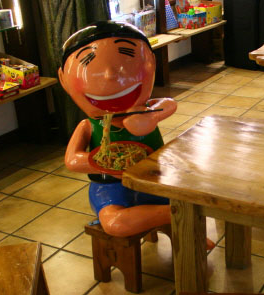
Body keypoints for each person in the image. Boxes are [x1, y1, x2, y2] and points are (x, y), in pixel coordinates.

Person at [60, 21, 211, 246]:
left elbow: (169, 104)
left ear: (152, 63)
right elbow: (72, 160)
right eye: (87, 61)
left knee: (188, 189)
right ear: (63, 79)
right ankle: (171, 214)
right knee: (116, 223)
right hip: (110, 189)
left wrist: (150, 116)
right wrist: (107, 163)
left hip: (153, 180)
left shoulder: (147, 110)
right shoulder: (89, 125)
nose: (110, 74)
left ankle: (176, 225)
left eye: (127, 54)